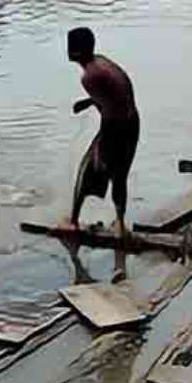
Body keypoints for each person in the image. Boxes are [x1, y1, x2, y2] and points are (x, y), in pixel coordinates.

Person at [66, 27, 139, 238]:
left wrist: (102, 147)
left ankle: (73, 223)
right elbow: (114, 95)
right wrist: (89, 102)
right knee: (119, 175)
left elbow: (109, 111)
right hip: (132, 121)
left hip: (116, 126)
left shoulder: (89, 77)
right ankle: (121, 224)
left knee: (87, 167)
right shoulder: (101, 61)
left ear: (76, 52)